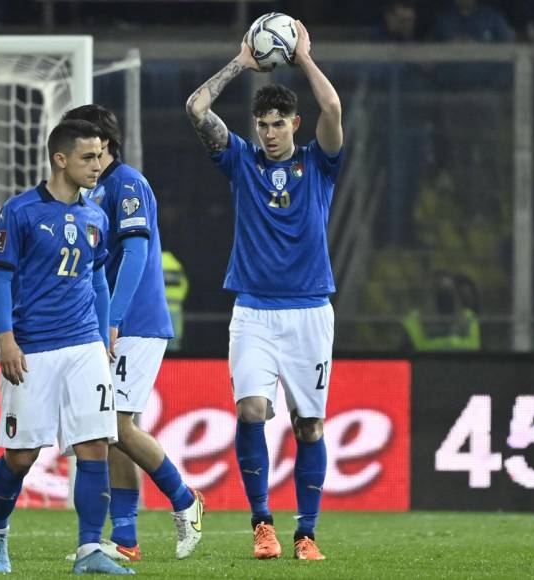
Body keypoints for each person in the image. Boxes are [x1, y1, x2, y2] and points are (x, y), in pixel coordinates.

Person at [185, 19, 343, 561]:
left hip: (309, 313)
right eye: (263, 124)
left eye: (279, 123)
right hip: (252, 312)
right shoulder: (241, 162)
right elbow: (197, 109)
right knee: (252, 411)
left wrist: (302, 57)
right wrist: (241, 64)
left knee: (310, 425)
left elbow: (334, 111)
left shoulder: (318, 165)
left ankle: (306, 534)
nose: (270, 132)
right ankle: (262, 524)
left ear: (295, 124)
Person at [0, 119, 133, 576]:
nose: (98, 165)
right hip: (34, 349)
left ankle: (90, 551)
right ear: (60, 159)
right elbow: (1, 277)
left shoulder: (96, 215)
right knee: (21, 456)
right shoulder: (21, 211)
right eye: (88, 157)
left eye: (101, 155)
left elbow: (97, 278)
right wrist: (6, 338)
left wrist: (107, 329)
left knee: (94, 447)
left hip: (85, 345)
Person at [61, 104, 204, 562]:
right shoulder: (89, 193)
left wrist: (114, 319)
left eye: (88, 143)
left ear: (105, 145)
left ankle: (185, 499)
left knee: (117, 424)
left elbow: (139, 255)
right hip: (103, 323)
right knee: (111, 428)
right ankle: (126, 540)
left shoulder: (128, 184)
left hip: (135, 323)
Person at [162, 250, 189, 352]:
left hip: (156, 312)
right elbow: (184, 285)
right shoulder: (175, 264)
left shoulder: (154, 262)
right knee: (173, 345)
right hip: (176, 310)